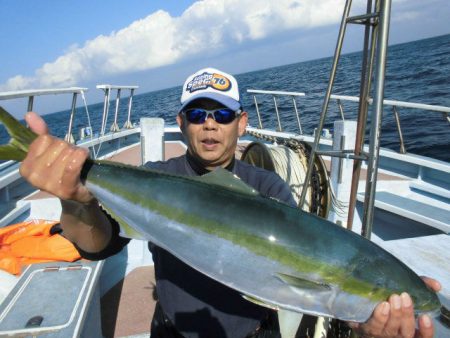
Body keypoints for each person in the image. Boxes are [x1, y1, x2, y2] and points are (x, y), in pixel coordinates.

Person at [20, 67, 441, 338]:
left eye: (222, 115)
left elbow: (312, 271)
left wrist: (365, 323)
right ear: (181, 122)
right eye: (198, 114)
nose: (209, 125)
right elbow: (97, 245)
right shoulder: (154, 178)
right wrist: (73, 199)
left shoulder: (269, 188)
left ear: (241, 122)